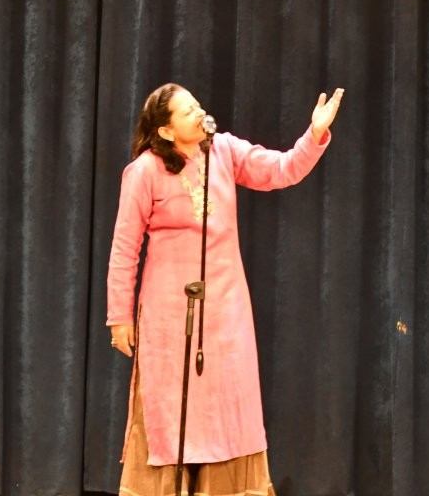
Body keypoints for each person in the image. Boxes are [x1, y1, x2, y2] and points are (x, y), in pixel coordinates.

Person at [107, 83, 345, 496]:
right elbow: (125, 248)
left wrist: (315, 133)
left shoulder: (224, 150)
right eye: (187, 112)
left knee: (227, 408)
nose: (199, 113)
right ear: (165, 130)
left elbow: (282, 169)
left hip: (225, 310)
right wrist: (119, 318)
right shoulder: (144, 171)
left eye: (198, 105)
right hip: (168, 315)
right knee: (172, 408)